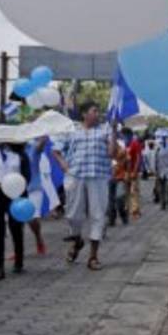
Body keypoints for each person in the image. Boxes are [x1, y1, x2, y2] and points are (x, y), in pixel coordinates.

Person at [57, 101, 118, 271]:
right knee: (72, 215)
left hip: (98, 177)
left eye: (98, 111)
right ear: (84, 114)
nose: (98, 114)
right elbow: (56, 150)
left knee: (98, 215)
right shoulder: (72, 130)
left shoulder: (105, 130)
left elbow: (111, 153)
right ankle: (77, 240)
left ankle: (93, 257)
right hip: (76, 177)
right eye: (94, 110)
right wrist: (64, 166)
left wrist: (113, 132)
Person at [0, 142, 30, 281]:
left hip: (15, 191)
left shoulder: (20, 155)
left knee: (15, 227)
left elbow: (27, 175)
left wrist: (20, 189)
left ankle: (19, 261)